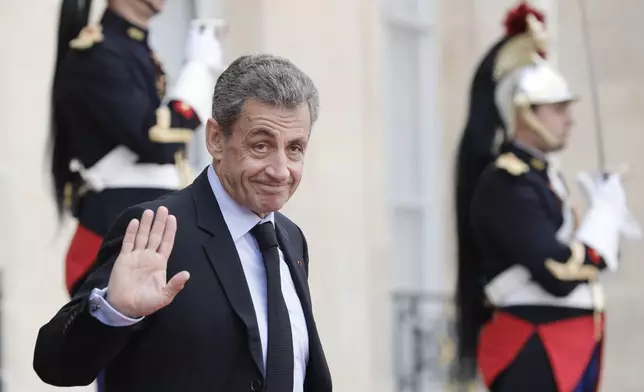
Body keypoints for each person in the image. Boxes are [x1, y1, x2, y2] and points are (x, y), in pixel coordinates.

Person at [34, 53, 332, 392]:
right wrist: (114, 312)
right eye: (261, 145)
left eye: (295, 149)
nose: (280, 170)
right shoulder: (158, 228)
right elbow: (55, 364)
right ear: (216, 139)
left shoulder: (291, 239)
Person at [453, 2, 640, 391]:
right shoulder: (506, 183)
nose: (569, 118)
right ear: (524, 112)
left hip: (568, 344)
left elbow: (592, 263)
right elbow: (557, 274)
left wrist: (604, 222)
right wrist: (600, 223)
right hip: (534, 347)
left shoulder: (543, 178)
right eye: (558, 108)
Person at [50, 0, 221, 297]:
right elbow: (155, 139)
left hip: (149, 225)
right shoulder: (97, 54)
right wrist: (198, 72)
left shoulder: (132, 49)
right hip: (117, 236)